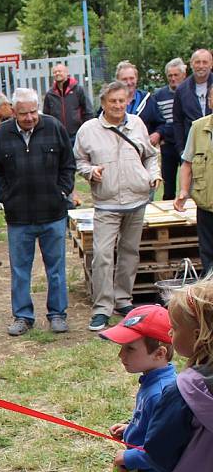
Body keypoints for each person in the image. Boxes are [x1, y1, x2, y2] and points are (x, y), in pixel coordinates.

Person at [74, 80, 160, 331]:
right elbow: (79, 160)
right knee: (102, 255)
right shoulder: (88, 130)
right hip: (107, 202)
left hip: (137, 198)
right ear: (103, 103)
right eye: (113, 101)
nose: (118, 105)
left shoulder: (137, 124)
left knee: (130, 253)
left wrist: (152, 175)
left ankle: (123, 299)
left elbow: (151, 155)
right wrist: (91, 171)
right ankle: (102, 307)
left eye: (122, 101)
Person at [0, 87, 75, 336]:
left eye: (33, 112)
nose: (29, 118)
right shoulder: (3, 134)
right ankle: (23, 316)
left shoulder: (54, 127)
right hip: (19, 218)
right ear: (14, 111)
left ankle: (58, 314)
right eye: (24, 113)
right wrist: (6, 197)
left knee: (56, 268)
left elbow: (68, 165)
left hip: (53, 213)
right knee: (20, 270)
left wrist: (62, 191)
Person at [143, 278, 213, 472]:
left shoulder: (183, 389)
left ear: (198, 336)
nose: (170, 334)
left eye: (174, 328)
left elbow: (158, 450)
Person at [100, 305, 176, 472]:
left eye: (130, 349)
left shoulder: (161, 393)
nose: (121, 355)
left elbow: (164, 450)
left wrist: (129, 456)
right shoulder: (152, 381)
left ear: (159, 353)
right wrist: (131, 428)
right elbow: (156, 426)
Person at [174, 84, 213, 275]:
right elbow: (187, 163)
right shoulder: (198, 127)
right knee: (208, 256)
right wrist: (183, 191)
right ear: (210, 101)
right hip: (206, 206)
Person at [153, 58, 187, 200]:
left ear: (183, 75)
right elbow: (157, 120)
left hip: (186, 142)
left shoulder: (188, 93)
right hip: (167, 145)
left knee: (189, 182)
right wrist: (160, 134)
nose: (173, 79)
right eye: (170, 76)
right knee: (168, 186)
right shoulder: (159, 95)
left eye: (176, 75)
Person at [115, 61, 165, 145]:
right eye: (124, 79)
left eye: (131, 78)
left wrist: (157, 134)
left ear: (136, 78)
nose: (129, 82)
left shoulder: (147, 100)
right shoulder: (110, 101)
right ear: (117, 81)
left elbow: (161, 124)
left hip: (143, 150)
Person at [173, 48, 213, 155]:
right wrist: (181, 150)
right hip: (192, 148)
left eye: (205, 62)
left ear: (211, 64)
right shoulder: (181, 90)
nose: (201, 66)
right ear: (191, 64)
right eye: (197, 62)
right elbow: (178, 122)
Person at [42, 63, 94, 144]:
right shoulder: (50, 94)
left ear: (67, 73)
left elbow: (88, 111)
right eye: (55, 72)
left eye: (60, 71)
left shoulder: (78, 90)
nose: (57, 73)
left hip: (77, 135)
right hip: (58, 136)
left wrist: (86, 130)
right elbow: (46, 116)